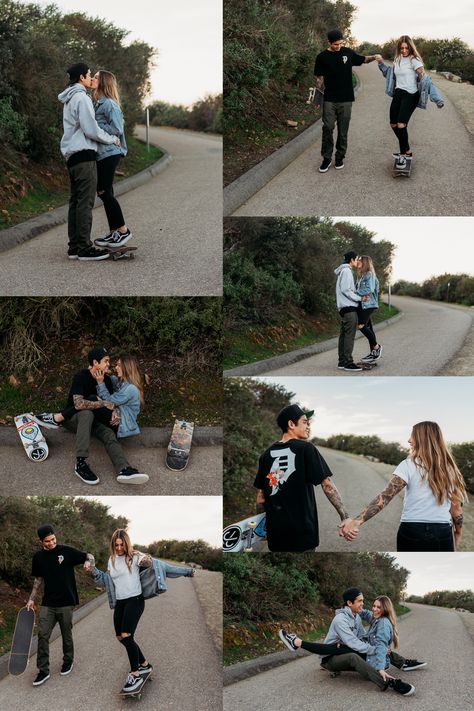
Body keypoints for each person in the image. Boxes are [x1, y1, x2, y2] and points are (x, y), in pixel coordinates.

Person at [86, 529, 195, 694]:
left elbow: (158, 565)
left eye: (122, 544)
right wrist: (92, 570)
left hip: (135, 601)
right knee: (120, 637)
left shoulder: (135, 556)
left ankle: (135, 674)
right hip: (121, 602)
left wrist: (149, 561)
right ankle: (145, 664)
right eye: (116, 545)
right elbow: (105, 581)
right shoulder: (112, 559)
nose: (119, 548)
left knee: (127, 635)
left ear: (127, 544)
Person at [340, 421, 467, 551]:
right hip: (442, 531)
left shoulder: (408, 465)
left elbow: (385, 497)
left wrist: (356, 522)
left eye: (413, 436)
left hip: (412, 531)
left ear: (422, 439)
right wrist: (458, 532)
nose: (409, 440)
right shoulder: (450, 469)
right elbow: (456, 507)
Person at [32, 347, 148, 486]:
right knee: (87, 411)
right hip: (73, 419)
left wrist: (116, 410)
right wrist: (105, 403)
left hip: (95, 420)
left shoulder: (108, 381)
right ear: (95, 362)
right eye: (106, 361)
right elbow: (79, 403)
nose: (109, 365)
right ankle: (80, 464)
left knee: (108, 434)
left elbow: (113, 401)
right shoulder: (81, 376)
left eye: (113, 363)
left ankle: (124, 469)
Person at [278, 588, 422, 696]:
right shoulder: (340, 620)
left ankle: (402, 662)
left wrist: (379, 649)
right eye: (360, 601)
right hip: (330, 658)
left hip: (345, 648)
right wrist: (376, 650)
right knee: (357, 655)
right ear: (349, 603)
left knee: (377, 646)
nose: (363, 604)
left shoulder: (357, 617)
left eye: (363, 601)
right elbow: (353, 643)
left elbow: (362, 638)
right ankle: (388, 682)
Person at [254, 404, 351, 552]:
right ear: (291, 424)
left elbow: (261, 497)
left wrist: (262, 528)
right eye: (305, 422)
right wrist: (345, 517)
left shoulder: (265, 455)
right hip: (302, 536)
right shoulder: (306, 449)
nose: (308, 426)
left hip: (276, 536)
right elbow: (327, 485)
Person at [58, 62, 121, 261]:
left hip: (71, 156)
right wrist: (112, 139)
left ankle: (74, 247)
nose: (91, 77)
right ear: (82, 78)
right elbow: (91, 130)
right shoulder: (81, 98)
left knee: (76, 202)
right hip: (84, 155)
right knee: (85, 202)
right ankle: (84, 248)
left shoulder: (69, 98)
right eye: (88, 74)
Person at [27, 524, 95, 687]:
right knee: (42, 635)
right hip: (48, 603)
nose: (51, 543)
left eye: (53, 539)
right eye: (47, 541)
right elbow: (38, 580)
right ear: (41, 541)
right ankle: (43, 670)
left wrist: (89, 563)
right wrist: (31, 599)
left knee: (66, 633)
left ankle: (68, 661)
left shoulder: (66, 551)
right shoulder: (38, 557)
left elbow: (89, 555)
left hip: (66, 602)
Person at [314, 30, 382, 172]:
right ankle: (326, 158)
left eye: (340, 43)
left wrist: (374, 56)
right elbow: (319, 80)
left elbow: (363, 59)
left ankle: (339, 157)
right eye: (335, 44)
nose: (338, 46)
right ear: (329, 42)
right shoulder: (322, 57)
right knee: (327, 127)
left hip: (346, 99)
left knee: (343, 130)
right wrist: (317, 99)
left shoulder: (347, 53)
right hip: (329, 99)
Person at [34, 353, 143, 441]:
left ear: (127, 368)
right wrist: (93, 368)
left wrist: (100, 383)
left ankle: (57, 418)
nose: (115, 367)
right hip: (115, 416)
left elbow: (109, 401)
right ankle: (58, 418)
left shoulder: (131, 389)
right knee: (90, 400)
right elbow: (104, 377)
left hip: (120, 424)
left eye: (119, 365)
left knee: (92, 399)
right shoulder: (119, 381)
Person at [376, 36, 444, 170]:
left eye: (406, 48)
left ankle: (403, 155)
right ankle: (407, 150)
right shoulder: (397, 59)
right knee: (393, 124)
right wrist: (380, 63)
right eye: (401, 48)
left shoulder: (415, 61)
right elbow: (390, 74)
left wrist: (437, 99)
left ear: (411, 47)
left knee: (401, 125)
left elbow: (426, 81)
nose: (404, 50)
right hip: (398, 93)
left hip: (411, 95)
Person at [91, 70, 133, 249]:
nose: (92, 79)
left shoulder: (109, 104)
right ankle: (115, 231)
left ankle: (123, 231)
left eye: (96, 77)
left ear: (103, 83)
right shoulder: (98, 103)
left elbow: (116, 128)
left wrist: (94, 125)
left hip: (110, 152)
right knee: (105, 191)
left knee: (103, 191)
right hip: (103, 153)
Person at [335, 250, 366, 372]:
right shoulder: (347, 271)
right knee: (349, 336)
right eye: (357, 259)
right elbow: (346, 290)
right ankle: (348, 362)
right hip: (349, 308)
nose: (358, 261)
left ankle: (342, 362)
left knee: (343, 336)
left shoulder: (343, 271)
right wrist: (360, 298)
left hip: (343, 308)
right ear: (352, 260)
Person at [356, 255, 382, 363]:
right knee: (369, 328)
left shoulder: (369, 274)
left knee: (361, 326)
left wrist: (355, 293)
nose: (357, 262)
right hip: (364, 304)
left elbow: (369, 289)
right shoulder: (362, 275)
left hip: (368, 304)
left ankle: (376, 347)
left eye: (360, 261)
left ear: (365, 263)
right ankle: (373, 353)